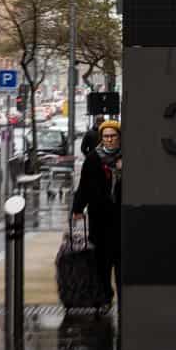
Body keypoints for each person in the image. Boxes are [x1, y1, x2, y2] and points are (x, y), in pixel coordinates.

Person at [72, 119, 123, 309]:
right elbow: (84, 186)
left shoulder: (126, 158)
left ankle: (123, 298)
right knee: (102, 262)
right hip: (99, 218)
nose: (109, 140)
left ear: (119, 138)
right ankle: (105, 298)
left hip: (120, 218)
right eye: (106, 136)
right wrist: (77, 209)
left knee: (121, 262)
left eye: (113, 136)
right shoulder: (93, 159)